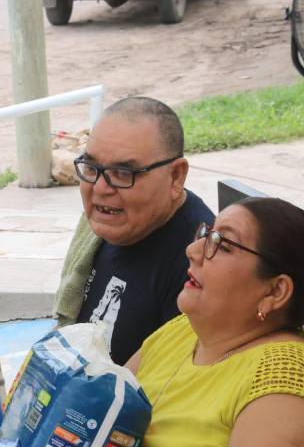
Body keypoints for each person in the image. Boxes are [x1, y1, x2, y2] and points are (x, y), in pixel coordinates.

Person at [126, 197, 304, 446]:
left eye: (223, 246)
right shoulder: (187, 331)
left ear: (274, 291)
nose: (193, 251)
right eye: (207, 234)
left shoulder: (286, 392)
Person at [53, 97, 214, 364]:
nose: (101, 189)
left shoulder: (200, 267)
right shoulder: (108, 225)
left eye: (123, 173)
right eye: (92, 168)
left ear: (176, 176)